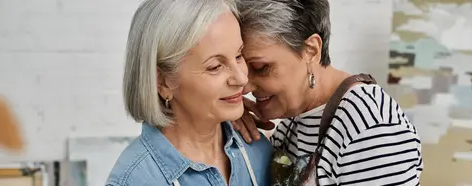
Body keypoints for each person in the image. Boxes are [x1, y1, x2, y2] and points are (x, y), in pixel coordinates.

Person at [231, 0, 424, 185]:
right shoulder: (293, 119)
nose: (246, 86)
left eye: (260, 67)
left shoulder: (370, 127)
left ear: (311, 50)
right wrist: (227, 128)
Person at [105, 0, 272, 185]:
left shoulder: (259, 151)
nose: (242, 79)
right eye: (215, 67)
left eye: (239, 55)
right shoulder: (134, 180)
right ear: (162, 81)